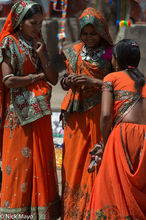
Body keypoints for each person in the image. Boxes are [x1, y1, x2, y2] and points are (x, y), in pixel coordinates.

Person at [0, 1, 60, 219]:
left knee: (40, 162)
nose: (37, 27)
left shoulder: (38, 42)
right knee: (19, 164)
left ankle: (39, 213)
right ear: (19, 21)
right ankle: (16, 213)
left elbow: (53, 78)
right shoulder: (9, 42)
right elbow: (8, 80)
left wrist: (43, 55)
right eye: (33, 23)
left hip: (40, 115)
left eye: (40, 23)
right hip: (18, 115)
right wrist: (36, 78)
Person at [60, 7, 113, 220]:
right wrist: (68, 81)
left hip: (100, 111)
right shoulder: (73, 50)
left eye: (93, 33)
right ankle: (73, 210)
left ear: (102, 31)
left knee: (96, 158)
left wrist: (94, 82)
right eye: (85, 33)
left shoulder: (111, 52)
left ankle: (94, 208)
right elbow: (63, 81)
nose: (89, 38)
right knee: (73, 160)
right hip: (75, 115)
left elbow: (117, 83)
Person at [86, 39, 146, 220]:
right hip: (144, 138)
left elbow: (105, 116)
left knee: (112, 189)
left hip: (122, 136)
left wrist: (105, 142)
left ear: (116, 59)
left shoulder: (110, 78)